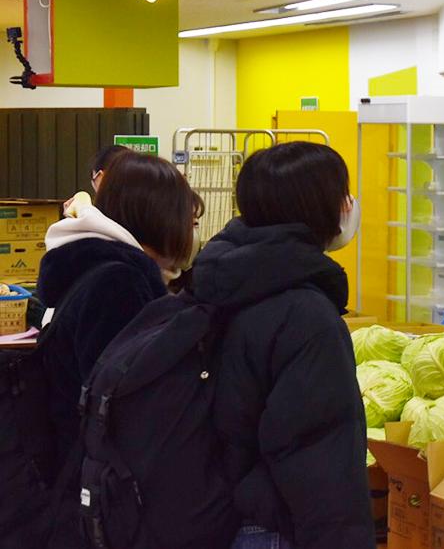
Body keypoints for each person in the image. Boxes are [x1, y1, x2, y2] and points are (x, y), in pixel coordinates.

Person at [189, 142, 372, 549]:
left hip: (222, 514)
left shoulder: (223, 281)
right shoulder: (305, 315)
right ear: (317, 206)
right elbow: (318, 456)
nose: (349, 204)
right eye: (341, 193)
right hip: (276, 526)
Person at [35, 151, 200, 546]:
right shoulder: (120, 284)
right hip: (101, 497)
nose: (193, 233)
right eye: (189, 222)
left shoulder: (95, 270)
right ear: (158, 217)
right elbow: (121, 405)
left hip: (77, 483)